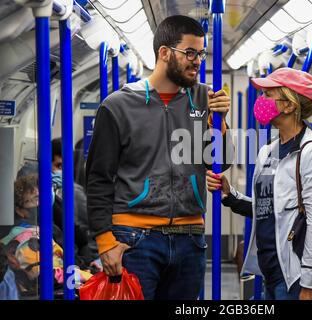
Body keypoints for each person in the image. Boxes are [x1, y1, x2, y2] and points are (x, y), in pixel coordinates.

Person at [86, 15, 233, 300]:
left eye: (201, 53)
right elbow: (98, 178)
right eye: (190, 52)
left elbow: (219, 161)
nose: (197, 61)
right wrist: (105, 242)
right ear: (164, 53)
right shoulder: (117, 106)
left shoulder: (205, 99)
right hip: (133, 238)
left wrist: (221, 122)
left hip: (190, 236)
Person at [207, 67, 312, 300]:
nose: (261, 101)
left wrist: (310, 282)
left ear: (289, 105)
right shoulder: (269, 151)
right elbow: (267, 208)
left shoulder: (311, 153)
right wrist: (231, 195)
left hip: (294, 274)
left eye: (268, 95)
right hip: (270, 270)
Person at [51, 138, 100, 272]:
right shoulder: (40, 193)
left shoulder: (74, 191)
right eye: (57, 166)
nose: (58, 171)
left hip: (79, 254)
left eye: (62, 166)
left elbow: (90, 224)